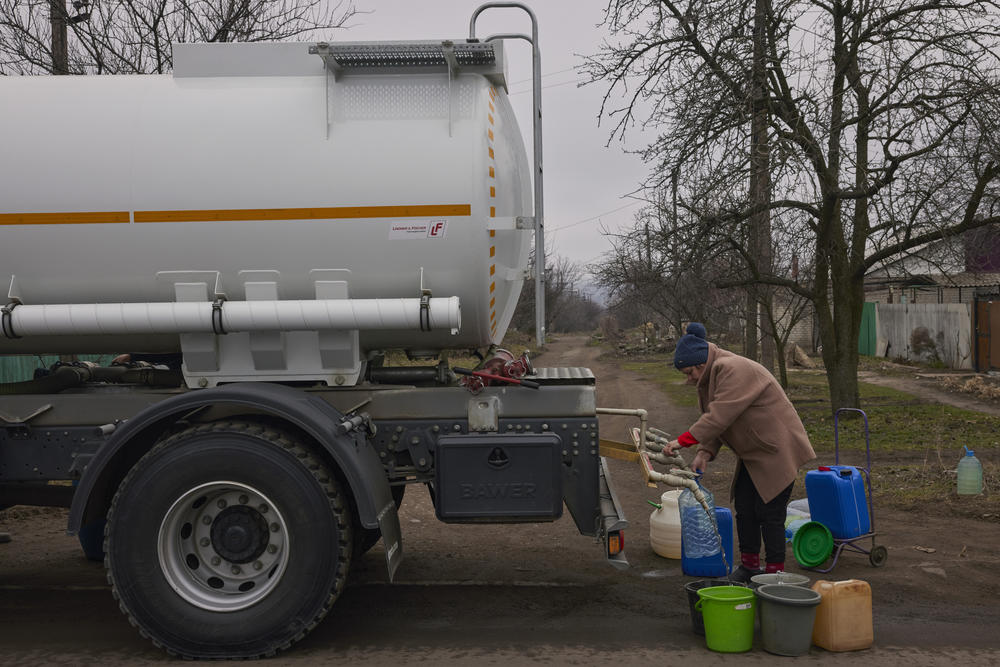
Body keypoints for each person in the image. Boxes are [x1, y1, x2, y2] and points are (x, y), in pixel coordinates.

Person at [664, 322, 816, 581]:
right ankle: (749, 567)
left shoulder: (732, 369)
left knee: (770, 515)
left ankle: (774, 576)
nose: (688, 378)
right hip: (755, 453)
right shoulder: (710, 375)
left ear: (700, 364)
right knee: (745, 509)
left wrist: (683, 441)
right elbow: (719, 421)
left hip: (777, 450)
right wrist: (704, 453)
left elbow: (721, 415)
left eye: (689, 372)